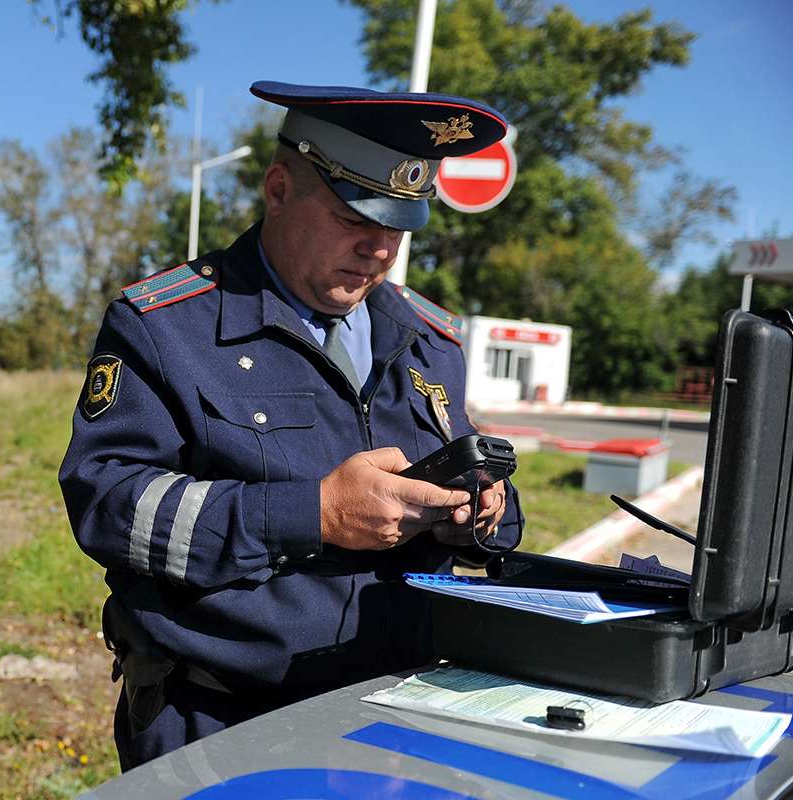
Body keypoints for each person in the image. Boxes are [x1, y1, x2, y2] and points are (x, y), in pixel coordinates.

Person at [59, 81, 525, 770]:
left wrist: (481, 512)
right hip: (224, 724)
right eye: (353, 216)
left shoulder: (431, 341)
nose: (379, 249)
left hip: (402, 724)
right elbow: (107, 505)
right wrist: (315, 513)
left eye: (398, 226)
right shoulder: (167, 326)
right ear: (278, 190)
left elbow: (498, 513)